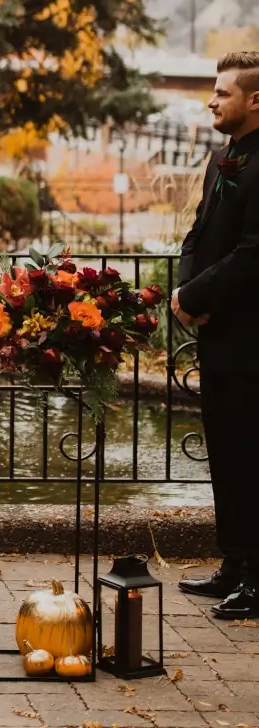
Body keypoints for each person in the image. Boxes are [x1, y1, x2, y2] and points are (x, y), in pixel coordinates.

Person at [172, 50, 259, 619]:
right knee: (226, 454)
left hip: (253, 339)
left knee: (253, 457)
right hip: (216, 335)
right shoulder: (220, 159)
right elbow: (197, 234)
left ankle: (258, 579)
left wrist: (198, 296)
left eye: (222, 92)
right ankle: (234, 564)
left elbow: (255, 254)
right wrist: (184, 294)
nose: (211, 100)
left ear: (255, 101)